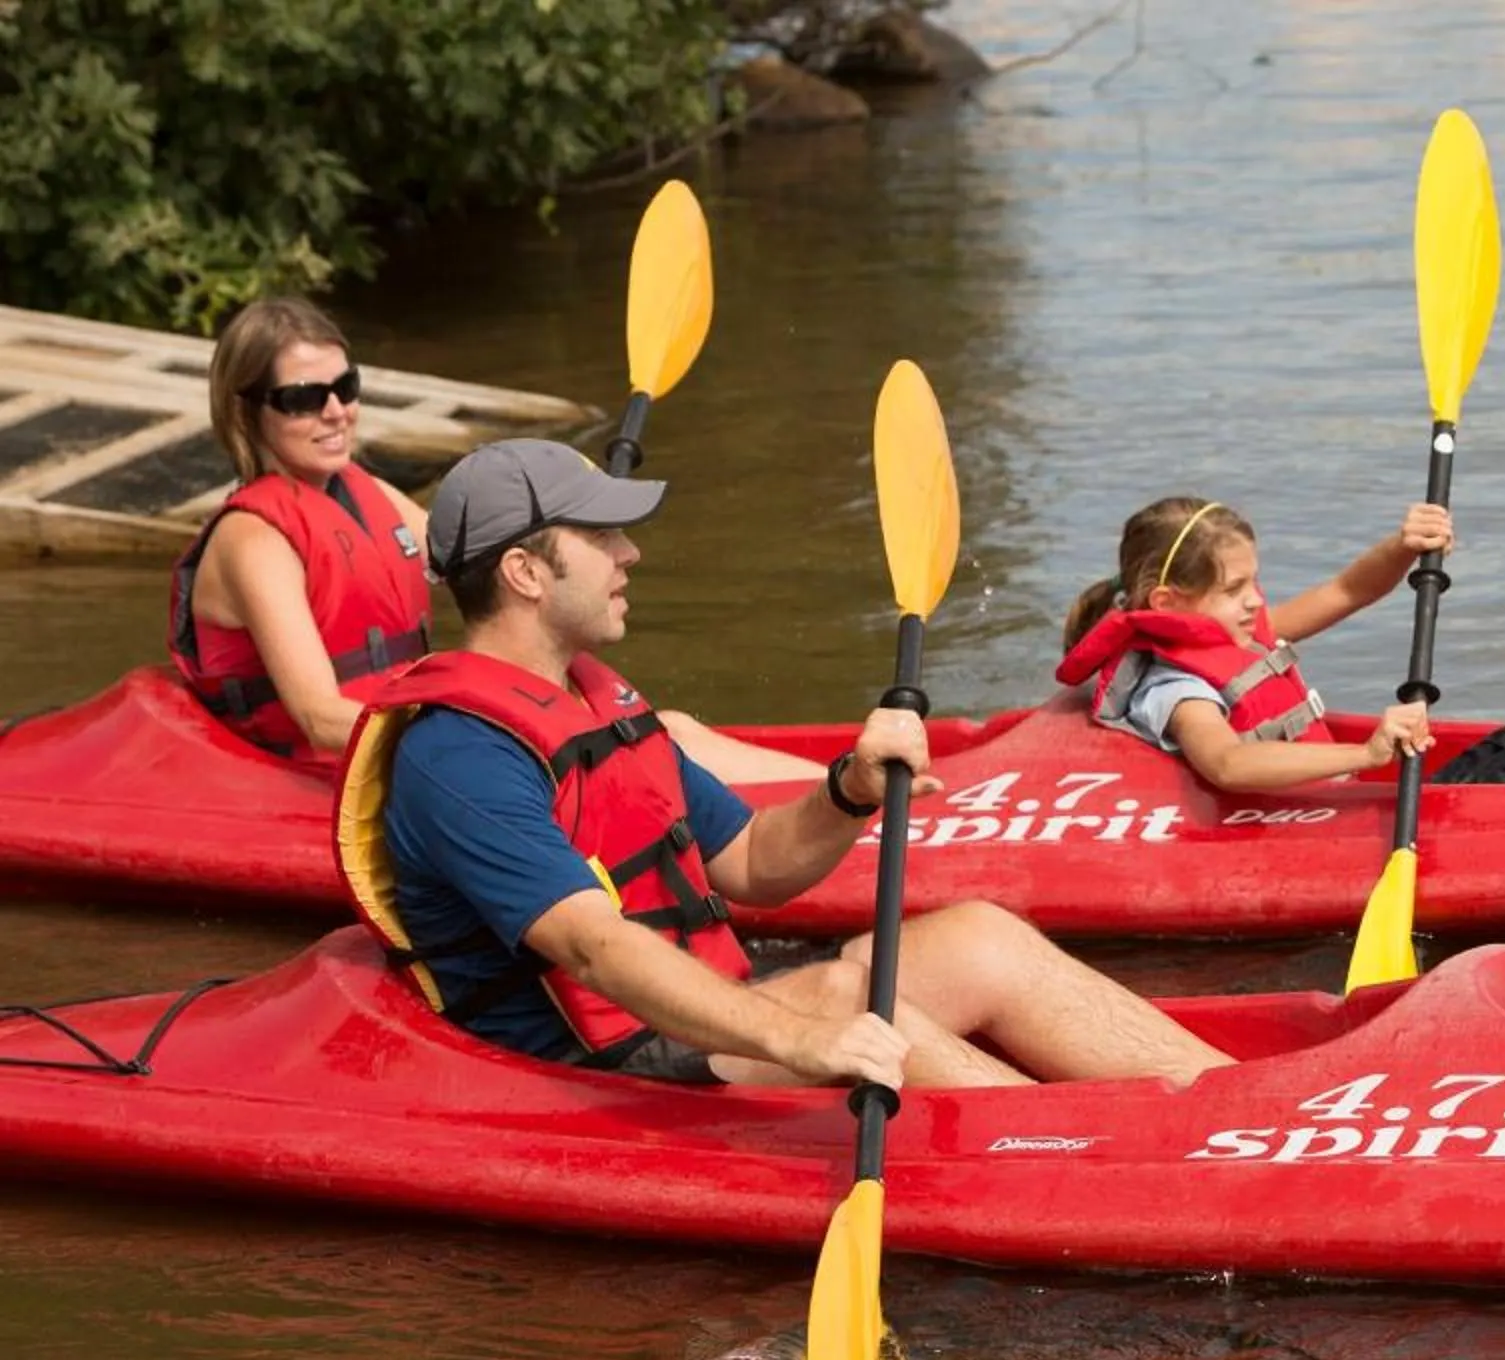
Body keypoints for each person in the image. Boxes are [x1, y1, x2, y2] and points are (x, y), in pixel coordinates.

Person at [334, 438, 1234, 1095]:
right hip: (593, 1070)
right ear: (527, 573)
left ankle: (1229, 1105)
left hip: (694, 1014)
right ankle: (1100, 1156)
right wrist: (798, 1036)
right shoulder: (459, 754)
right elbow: (592, 949)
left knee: (979, 937)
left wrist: (847, 788)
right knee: (846, 991)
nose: (630, 555)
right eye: (602, 538)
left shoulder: (595, 701)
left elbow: (756, 864)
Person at [171, 296, 818, 785]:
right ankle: (851, 806)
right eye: (305, 398)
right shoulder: (255, 539)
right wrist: (498, 729)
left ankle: (846, 789)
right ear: (245, 409)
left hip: (416, 734)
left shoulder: (362, 493)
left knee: (662, 731)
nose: (337, 411)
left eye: (346, 388)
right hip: (344, 772)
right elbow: (318, 719)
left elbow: (491, 558)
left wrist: (575, 516)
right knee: (643, 749)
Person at [1055, 496, 1505, 790]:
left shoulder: (1233, 633)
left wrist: (1403, 546)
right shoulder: (1178, 685)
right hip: (1334, 821)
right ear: (1168, 604)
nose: (1255, 600)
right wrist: (1366, 755)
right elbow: (1229, 765)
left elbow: (1347, 590)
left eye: (1256, 580)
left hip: (1355, 798)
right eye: (1235, 588)